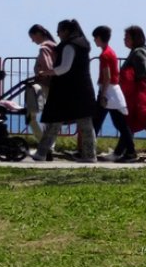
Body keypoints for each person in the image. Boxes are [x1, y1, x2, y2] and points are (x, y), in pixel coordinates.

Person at [33, 18, 98, 163]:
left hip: (68, 90)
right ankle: (90, 155)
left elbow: (64, 68)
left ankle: (41, 153)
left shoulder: (69, 46)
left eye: (59, 31)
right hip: (82, 89)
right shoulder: (82, 45)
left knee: (54, 121)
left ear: (66, 31)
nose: (57, 34)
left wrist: (47, 72)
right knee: (85, 124)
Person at [110, 24, 146, 164]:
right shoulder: (144, 50)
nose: (124, 40)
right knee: (130, 123)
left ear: (135, 38)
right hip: (143, 94)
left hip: (141, 95)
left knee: (145, 124)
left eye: (127, 37)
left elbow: (141, 73)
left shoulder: (138, 53)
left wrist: (133, 82)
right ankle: (120, 152)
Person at [25, 24, 56, 139]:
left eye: (32, 37)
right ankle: (48, 143)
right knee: (51, 115)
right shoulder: (54, 45)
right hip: (56, 84)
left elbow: (47, 66)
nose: (32, 41)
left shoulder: (44, 47)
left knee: (33, 115)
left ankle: (44, 142)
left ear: (38, 34)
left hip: (46, 84)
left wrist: (41, 73)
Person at [90, 25, 121, 137]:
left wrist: (102, 95)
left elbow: (107, 77)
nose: (94, 40)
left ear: (99, 38)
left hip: (106, 91)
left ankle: (86, 149)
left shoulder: (104, 55)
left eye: (95, 38)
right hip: (111, 90)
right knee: (118, 122)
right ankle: (130, 149)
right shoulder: (110, 52)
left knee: (96, 121)